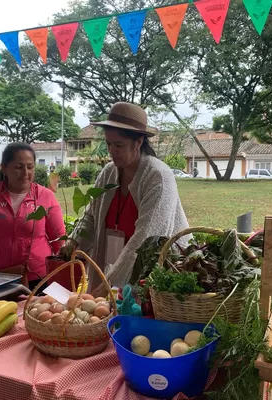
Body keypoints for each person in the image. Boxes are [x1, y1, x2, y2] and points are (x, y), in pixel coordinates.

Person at [60, 102, 190, 294]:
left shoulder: (158, 177)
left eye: (119, 145)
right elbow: (92, 215)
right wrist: (72, 244)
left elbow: (146, 240)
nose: (112, 151)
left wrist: (106, 287)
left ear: (138, 143)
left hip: (156, 271)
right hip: (115, 263)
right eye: (109, 144)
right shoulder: (108, 173)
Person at [0, 143, 66, 290]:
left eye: (30, 167)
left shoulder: (45, 196)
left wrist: (64, 277)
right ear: (5, 168)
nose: (25, 173)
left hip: (38, 277)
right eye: (18, 167)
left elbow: (59, 239)